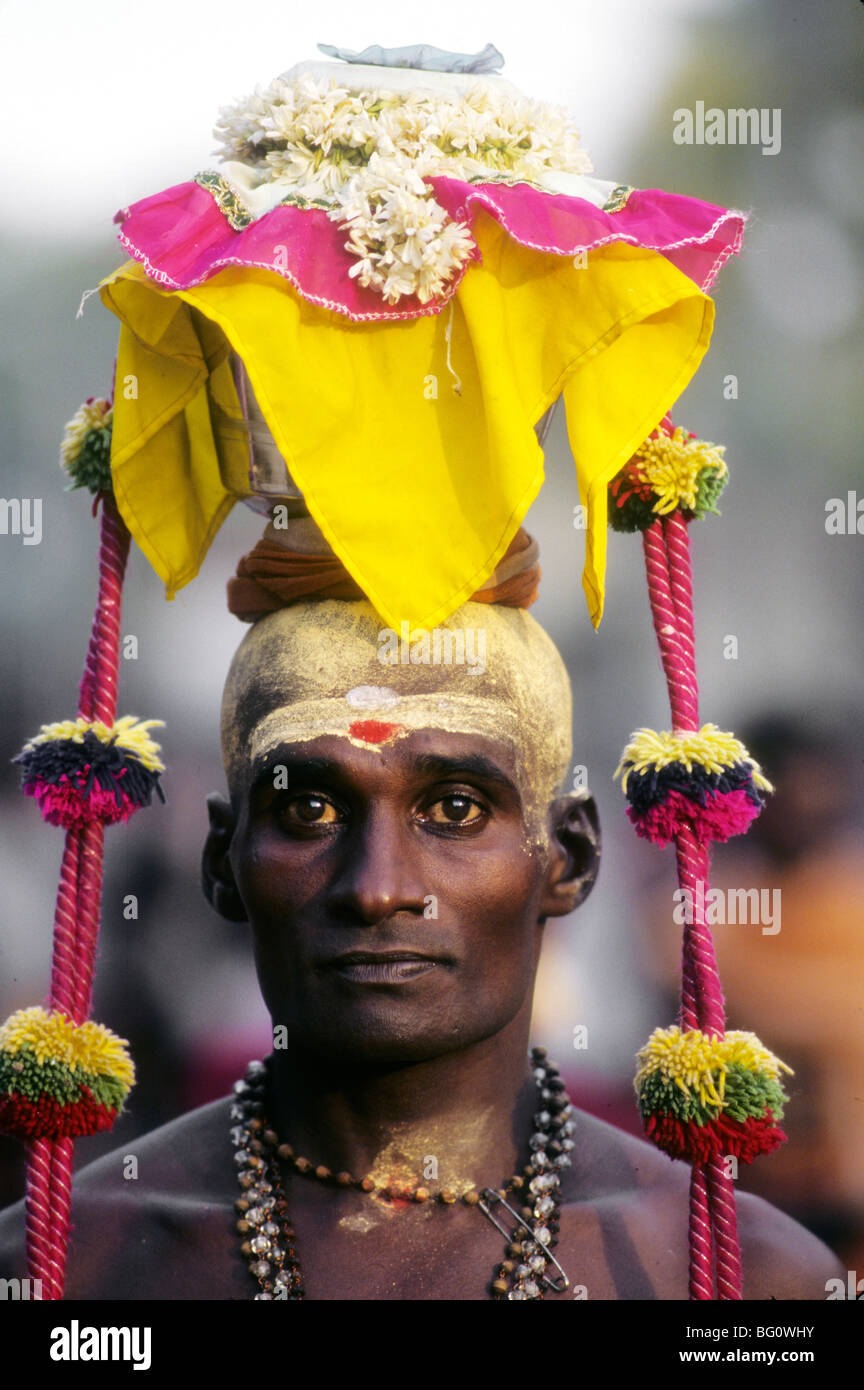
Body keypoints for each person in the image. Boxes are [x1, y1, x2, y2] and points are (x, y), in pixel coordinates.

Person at [0, 599, 843, 1300]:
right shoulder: (70, 1265)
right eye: (309, 811)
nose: (377, 888)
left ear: (570, 860)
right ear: (223, 864)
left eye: (457, 809)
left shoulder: (745, 1278)